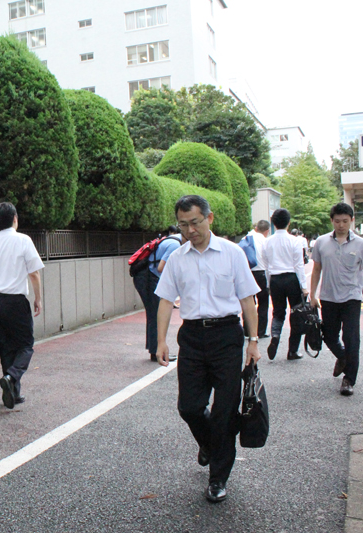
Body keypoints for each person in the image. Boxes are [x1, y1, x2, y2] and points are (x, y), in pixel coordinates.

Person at [155, 195, 260, 504]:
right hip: (192, 337)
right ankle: (210, 444)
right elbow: (164, 300)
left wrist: (253, 341)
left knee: (225, 412)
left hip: (227, 335)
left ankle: (218, 478)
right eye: (183, 224)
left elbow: (247, 299)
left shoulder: (232, 253)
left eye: (195, 223)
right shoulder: (177, 258)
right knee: (189, 407)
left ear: (209, 219)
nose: (189, 230)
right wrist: (161, 340)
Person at [0, 202, 43, 409]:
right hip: (15, 301)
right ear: (14, 218)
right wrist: (38, 299)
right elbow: (34, 273)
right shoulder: (23, 240)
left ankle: (13, 392)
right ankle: (12, 377)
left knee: (5, 347)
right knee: (25, 345)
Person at [309, 203, 363, 396]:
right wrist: (312, 295)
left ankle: (349, 380)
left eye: (345, 221)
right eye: (338, 221)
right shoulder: (322, 242)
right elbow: (316, 269)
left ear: (351, 220)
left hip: (352, 298)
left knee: (351, 338)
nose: (341, 225)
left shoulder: (360, 243)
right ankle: (342, 357)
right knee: (329, 335)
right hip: (328, 297)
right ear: (332, 221)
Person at [262, 208, 308, 360]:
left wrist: (269, 284)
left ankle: (275, 336)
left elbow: (266, 267)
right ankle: (292, 350)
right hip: (291, 279)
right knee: (296, 313)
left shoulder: (267, 242)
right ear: (288, 223)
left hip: (275, 279)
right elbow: (299, 265)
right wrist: (304, 286)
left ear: (273, 223)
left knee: (278, 312)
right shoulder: (295, 241)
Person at [132, 225, 182, 361]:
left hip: (146, 276)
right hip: (147, 277)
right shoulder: (175, 245)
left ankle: (154, 350)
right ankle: (155, 351)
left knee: (153, 314)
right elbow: (161, 268)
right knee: (156, 314)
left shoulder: (172, 240)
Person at [247, 220, 270, 338]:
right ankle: (260, 331)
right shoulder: (265, 241)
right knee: (263, 302)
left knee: (248, 302)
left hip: (248, 272)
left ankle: (247, 329)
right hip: (261, 273)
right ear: (267, 231)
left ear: (256, 228)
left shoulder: (247, 237)